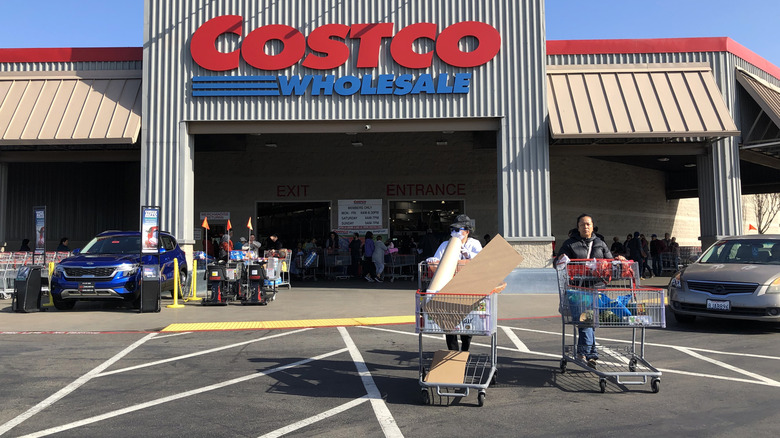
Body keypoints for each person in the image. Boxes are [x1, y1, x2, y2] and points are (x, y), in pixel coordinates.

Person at [556, 213, 625, 369]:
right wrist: (561, 260)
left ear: (592, 226)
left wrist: (618, 260)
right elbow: (558, 261)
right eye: (582, 224)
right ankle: (591, 356)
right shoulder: (570, 244)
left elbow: (609, 261)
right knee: (587, 322)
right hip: (578, 290)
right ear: (578, 227)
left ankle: (582, 351)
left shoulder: (600, 243)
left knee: (589, 323)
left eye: (588, 224)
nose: (585, 226)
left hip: (597, 288)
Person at [428, 214, 483, 352]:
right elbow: (437, 260)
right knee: (449, 324)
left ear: (467, 231)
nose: (456, 233)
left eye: (459, 230)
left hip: (467, 290)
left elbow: (481, 262)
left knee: (466, 324)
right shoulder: (446, 244)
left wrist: (467, 255)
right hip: (448, 290)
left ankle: (465, 351)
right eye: (454, 230)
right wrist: (432, 261)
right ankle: (453, 352)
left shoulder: (473, 244)